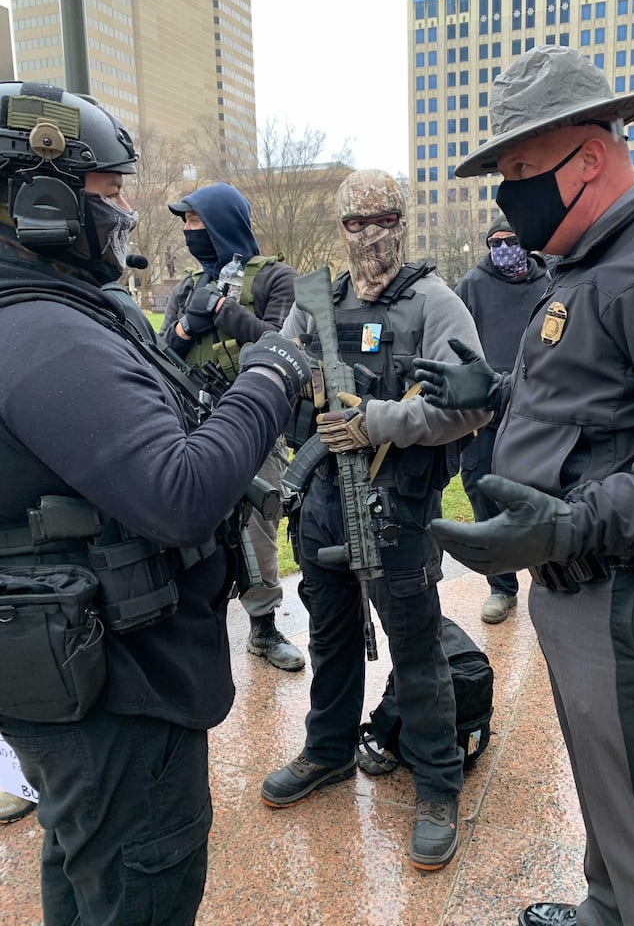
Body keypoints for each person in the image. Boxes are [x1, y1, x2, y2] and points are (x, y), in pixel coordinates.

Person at [412, 46, 634, 926]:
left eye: (521, 170)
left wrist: (571, 526)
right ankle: (611, 903)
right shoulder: (588, 263)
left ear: (589, 157)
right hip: (585, 585)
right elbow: (592, 407)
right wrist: (492, 395)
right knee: (609, 778)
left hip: (630, 588)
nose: (507, 194)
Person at [0, 80, 310, 925]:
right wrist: (272, 373)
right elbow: (178, 492)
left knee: (83, 867)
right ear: (39, 201)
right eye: (109, 195)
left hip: (89, 678)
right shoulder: (37, 330)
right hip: (116, 698)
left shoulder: (55, 312)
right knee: (141, 887)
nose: (125, 213)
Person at [262, 169, 490, 871]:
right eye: (355, 224)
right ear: (342, 229)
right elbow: (280, 368)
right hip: (324, 503)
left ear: (402, 221)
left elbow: (474, 401)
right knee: (330, 640)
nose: (369, 234)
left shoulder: (435, 302)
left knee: (416, 652)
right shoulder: (317, 303)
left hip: (399, 509)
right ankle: (328, 751)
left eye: (382, 218)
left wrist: (378, 420)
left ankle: (438, 787)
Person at [160, 183, 304, 671]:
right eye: (184, 223)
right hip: (191, 425)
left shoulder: (275, 278)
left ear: (221, 222)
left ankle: (262, 627)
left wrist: (226, 313)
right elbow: (159, 356)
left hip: (254, 424)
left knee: (259, 527)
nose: (187, 232)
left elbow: (287, 345)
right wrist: (185, 327)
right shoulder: (186, 286)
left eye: (194, 222)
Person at [455, 213, 549, 624]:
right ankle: (501, 586)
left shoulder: (552, 284)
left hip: (537, 413)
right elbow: (452, 343)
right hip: (483, 417)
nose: (503, 250)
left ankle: (550, 576)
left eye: (511, 240)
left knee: (540, 495)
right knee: (481, 492)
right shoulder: (471, 287)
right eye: (495, 243)